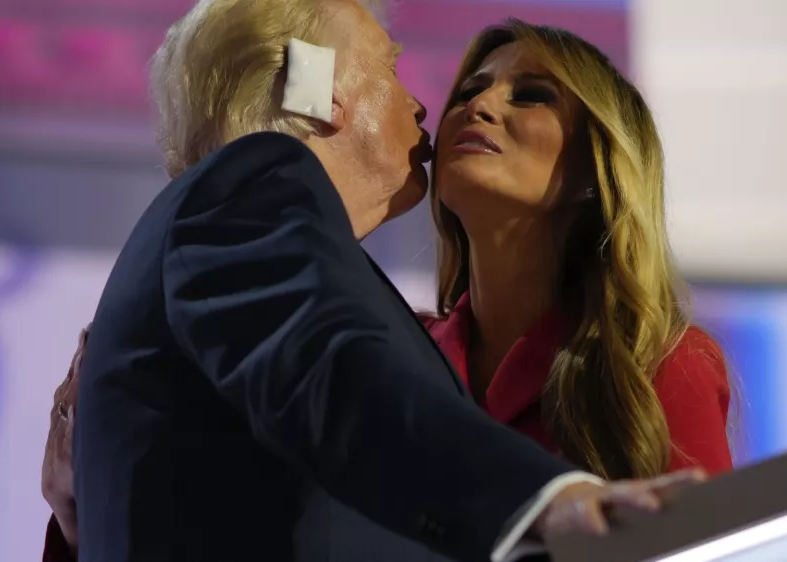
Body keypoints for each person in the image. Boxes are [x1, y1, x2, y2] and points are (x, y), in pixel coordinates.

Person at [46, 1, 705, 561]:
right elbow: (330, 366)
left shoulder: (250, 266)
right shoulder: (252, 182)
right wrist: (539, 500)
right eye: (391, 68)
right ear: (319, 88)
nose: (424, 105)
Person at [421, 19, 732, 479]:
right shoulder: (399, 350)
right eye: (468, 92)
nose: (479, 106)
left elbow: (699, 528)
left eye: (531, 95)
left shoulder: (660, 366)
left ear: (595, 168)